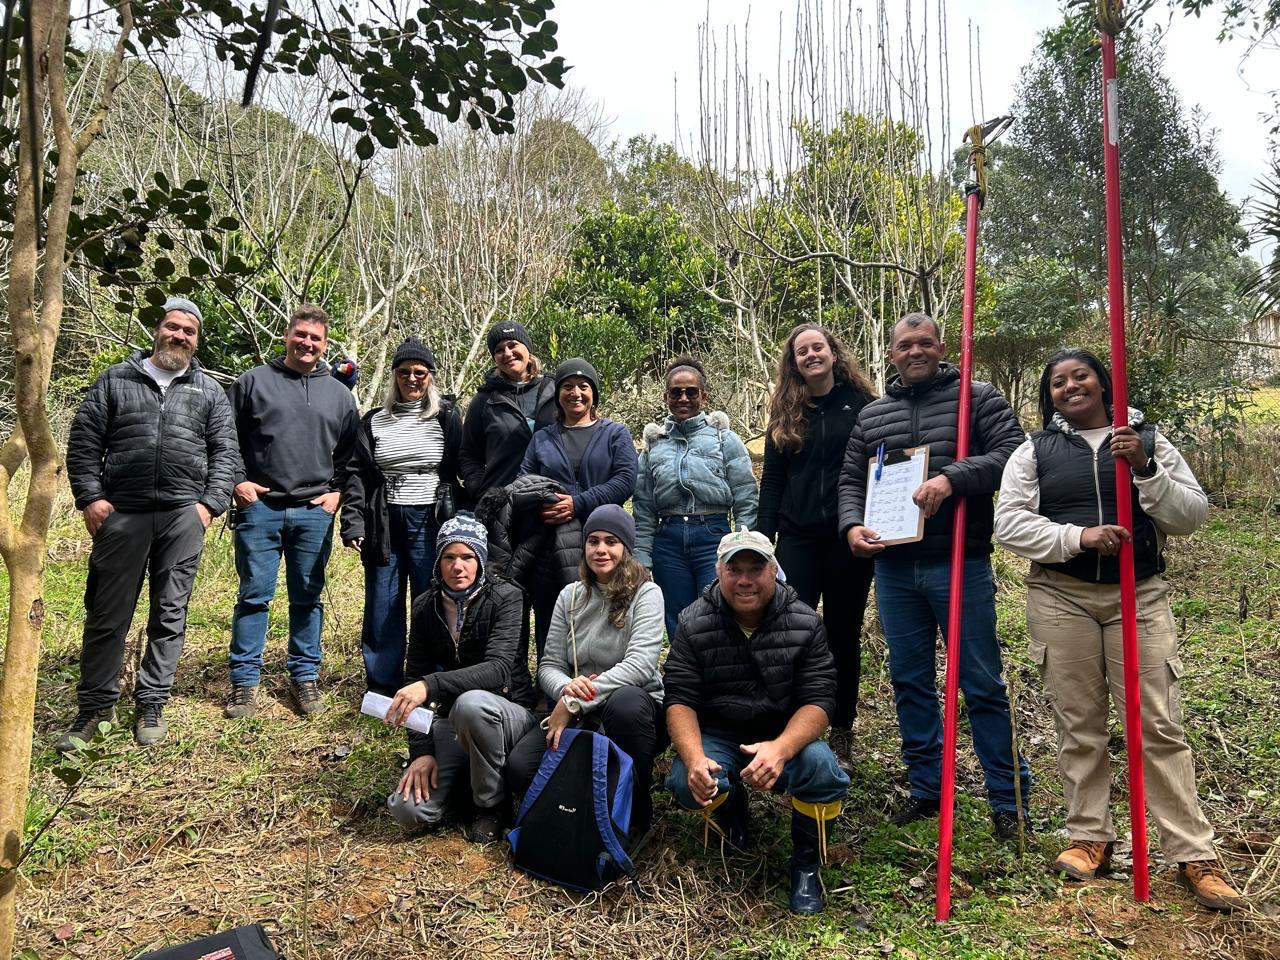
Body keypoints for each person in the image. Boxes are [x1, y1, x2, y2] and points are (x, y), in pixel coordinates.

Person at [994, 348, 1244, 912]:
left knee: (1157, 722)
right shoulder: (1034, 451)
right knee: (1080, 725)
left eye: (1080, 375)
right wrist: (1077, 538)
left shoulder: (1146, 442)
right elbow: (1008, 523)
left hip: (1141, 595)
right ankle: (1091, 838)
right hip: (1061, 596)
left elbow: (1191, 516)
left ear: (1104, 383)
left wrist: (1147, 470)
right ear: (1049, 395)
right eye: (1057, 382)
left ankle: (1192, 853)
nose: (1069, 386)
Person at [837, 312, 1032, 839]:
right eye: (905, 345)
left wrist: (951, 478)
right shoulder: (875, 415)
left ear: (941, 347)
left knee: (980, 682)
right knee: (910, 682)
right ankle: (927, 789)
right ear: (892, 353)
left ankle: (1007, 796)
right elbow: (852, 479)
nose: (915, 352)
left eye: (925, 343)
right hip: (895, 569)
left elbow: (1015, 456)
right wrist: (853, 526)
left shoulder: (979, 398)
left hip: (960, 562)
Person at [60, 298, 238, 750]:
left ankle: (152, 702)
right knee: (106, 614)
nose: (179, 336)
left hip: (183, 515)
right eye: (172, 327)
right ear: (157, 329)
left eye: (189, 332)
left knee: (170, 613)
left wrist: (209, 505)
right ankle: (95, 708)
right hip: (123, 513)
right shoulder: (116, 380)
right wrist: (92, 499)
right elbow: (83, 442)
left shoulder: (208, 390)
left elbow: (225, 452)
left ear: (197, 342)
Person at [664, 529, 849, 915]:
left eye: (756, 568)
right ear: (719, 573)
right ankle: (733, 813)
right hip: (719, 734)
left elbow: (820, 701)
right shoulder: (693, 622)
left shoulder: (805, 621)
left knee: (821, 768)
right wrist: (696, 758)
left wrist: (780, 749)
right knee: (687, 782)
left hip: (782, 734)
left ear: (774, 571)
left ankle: (806, 864)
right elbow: (679, 700)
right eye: (734, 570)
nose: (745, 580)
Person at [224, 304, 359, 719]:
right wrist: (237, 482)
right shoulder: (253, 382)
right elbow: (224, 437)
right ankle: (244, 684)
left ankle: (305, 678)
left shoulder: (339, 394)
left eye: (315, 338)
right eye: (300, 334)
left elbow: (351, 455)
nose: (307, 343)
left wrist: (336, 493)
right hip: (259, 508)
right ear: (287, 335)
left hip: (313, 511)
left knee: (308, 598)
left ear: (324, 344)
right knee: (253, 596)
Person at [757, 324, 876, 766]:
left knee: (843, 634)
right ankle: (793, 727)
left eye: (817, 347)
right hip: (798, 539)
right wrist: (761, 539)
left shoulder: (863, 406)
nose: (810, 355)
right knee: (792, 633)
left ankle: (841, 730)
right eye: (801, 351)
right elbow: (772, 481)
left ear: (833, 352)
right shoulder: (787, 411)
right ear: (793, 362)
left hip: (849, 540)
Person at [507, 505, 666, 833]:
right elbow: (549, 664)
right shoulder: (570, 596)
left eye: (611, 541)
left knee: (626, 703)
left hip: (633, 713)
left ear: (626, 548)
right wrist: (566, 688)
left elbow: (639, 666)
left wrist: (573, 702)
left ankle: (634, 808)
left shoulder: (647, 594)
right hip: (579, 711)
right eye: (593, 541)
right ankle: (579, 804)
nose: (601, 550)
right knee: (520, 769)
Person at [385, 513, 536, 843]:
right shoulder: (426, 605)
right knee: (407, 810)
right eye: (449, 557)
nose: (458, 567)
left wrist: (431, 684)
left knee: (471, 705)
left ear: (481, 560)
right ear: (438, 561)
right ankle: (463, 789)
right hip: (453, 719)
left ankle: (491, 806)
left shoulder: (507, 597)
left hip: (509, 714)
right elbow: (413, 675)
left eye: (468, 557)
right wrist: (422, 751)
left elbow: (498, 669)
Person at [341, 337, 463, 695]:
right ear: (394, 376)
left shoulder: (446, 417)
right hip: (385, 520)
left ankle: (433, 681)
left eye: (420, 373)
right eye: (405, 372)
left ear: (430, 377)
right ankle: (382, 686)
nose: (412, 379)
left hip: (432, 520)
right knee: (383, 602)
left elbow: (458, 468)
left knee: (433, 600)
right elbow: (357, 474)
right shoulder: (374, 421)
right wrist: (353, 521)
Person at [518, 358, 638, 656]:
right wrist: (547, 503)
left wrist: (578, 503)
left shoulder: (615, 433)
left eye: (583, 387)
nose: (576, 393)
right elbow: (524, 482)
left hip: (603, 543)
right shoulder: (542, 438)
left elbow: (625, 480)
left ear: (594, 393)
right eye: (567, 387)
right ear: (557, 394)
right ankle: (551, 691)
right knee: (551, 614)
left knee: (603, 612)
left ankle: (600, 686)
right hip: (550, 544)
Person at [634, 356, 758, 640]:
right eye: (676, 392)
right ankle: (683, 681)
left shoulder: (724, 440)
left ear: (704, 396)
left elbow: (745, 496)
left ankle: (719, 683)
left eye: (691, 391)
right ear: (666, 396)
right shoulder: (654, 445)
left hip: (713, 537)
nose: (683, 398)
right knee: (677, 620)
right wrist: (642, 556)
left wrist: (746, 543)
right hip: (668, 542)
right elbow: (643, 508)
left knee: (718, 614)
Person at [459, 321, 557, 500]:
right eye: (499, 350)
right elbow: (469, 454)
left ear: (527, 347)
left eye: (513, 345)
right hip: (503, 505)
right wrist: (481, 491)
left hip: (552, 501)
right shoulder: (485, 400)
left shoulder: (555, 391)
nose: (507, 353)